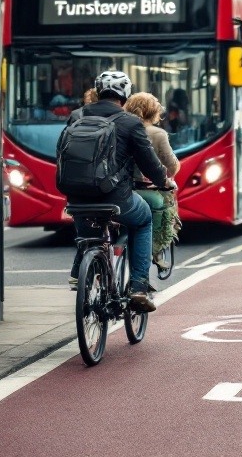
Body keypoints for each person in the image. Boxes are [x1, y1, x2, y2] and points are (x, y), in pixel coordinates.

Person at [64, 70, 175, 312]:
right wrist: (163, 180)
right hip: (116, 199)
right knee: (144, 219)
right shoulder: (129, 122)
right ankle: (138, 287)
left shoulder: (76, 117)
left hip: (77, 198)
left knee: (89, 234)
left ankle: (84, 270)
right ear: (125, 95)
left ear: (99, 90)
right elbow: (149, 163)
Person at [124, 92, 181, 271]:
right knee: (167, 205)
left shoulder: (120, 128)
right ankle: (157, 249)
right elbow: (171, 165)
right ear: (154, 112)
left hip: (122, 189)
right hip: (148, 190)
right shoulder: (157, 134)